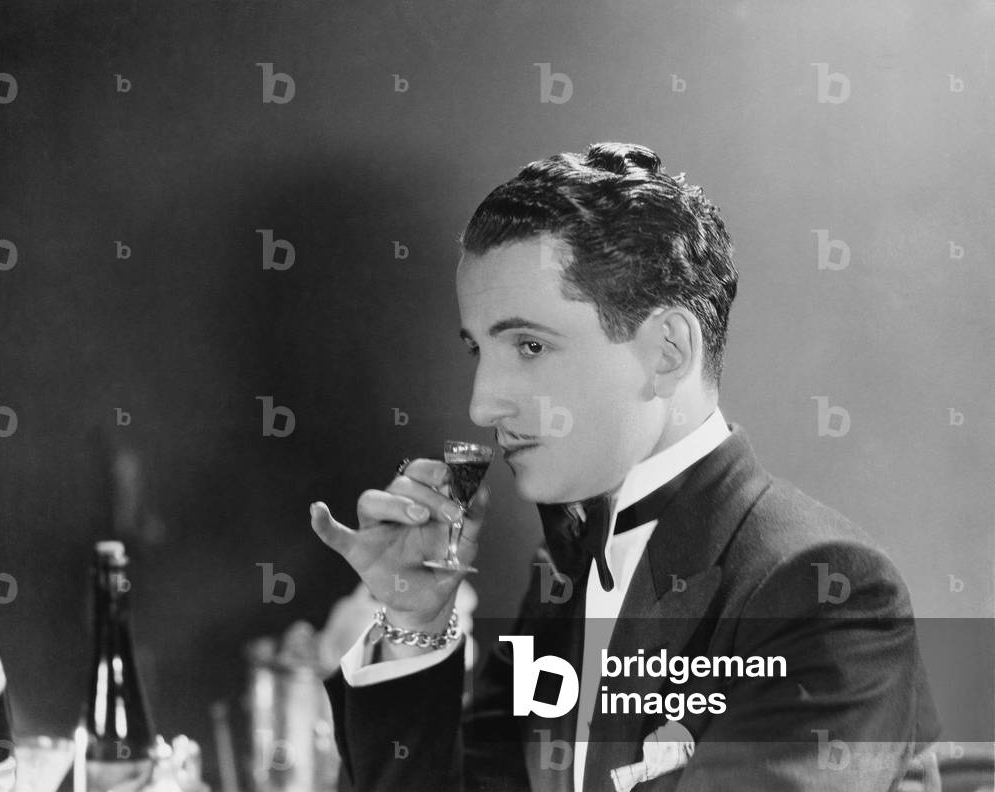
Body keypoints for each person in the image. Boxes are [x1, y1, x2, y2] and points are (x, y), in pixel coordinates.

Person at [310, 142, 939, 791]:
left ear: (666, 351)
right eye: (480, 350)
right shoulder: (567, 568)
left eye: (530, 345)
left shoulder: (822, 591)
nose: (481, 404)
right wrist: (414, 622)